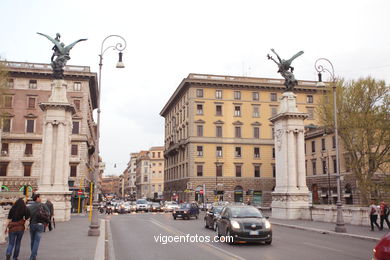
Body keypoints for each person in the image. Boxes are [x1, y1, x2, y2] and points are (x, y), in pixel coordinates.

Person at [28, 194, 50, 260]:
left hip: (32, 224)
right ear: (37, 198)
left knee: (32, 240)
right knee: (36, 241)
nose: (40, 199)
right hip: (40, 225)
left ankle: (33, 255)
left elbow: (27, 215)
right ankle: (32, 256)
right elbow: (48, 213)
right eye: (40, 197)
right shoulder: (43, 205)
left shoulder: (30, 206)